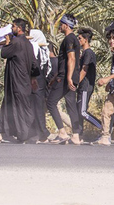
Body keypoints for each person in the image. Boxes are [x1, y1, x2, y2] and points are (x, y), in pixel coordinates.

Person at [0, 19, 38, 143]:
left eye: (13, 27)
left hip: (16, 80)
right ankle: (2, 132)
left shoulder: (16, 42)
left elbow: (4, 53)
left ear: (19, 28)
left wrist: (7, 42)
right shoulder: (28, 44)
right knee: (15, 106)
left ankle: (23, 134)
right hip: (24, 81)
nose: (12, 29)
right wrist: (33, 78)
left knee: (18, 107)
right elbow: (34, 63)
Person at [52, 14, 82, 145]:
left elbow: (71, 58)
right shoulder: (73, 39)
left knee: (50, 102)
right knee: (71, 105)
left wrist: (68, 77)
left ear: (66, 25)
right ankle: (76, 135)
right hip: (70, 76)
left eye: (61, 24)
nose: (60, 26)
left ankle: (62, 132)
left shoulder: (69, 39)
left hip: (66, 77)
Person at [77, 28, 103, 133]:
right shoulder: (84, 53)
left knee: (83, 112)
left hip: (86, 86)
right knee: (79, 110)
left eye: (80, 38)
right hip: (82, 86)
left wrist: (76, 82)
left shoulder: (88, 53)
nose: (78, 41)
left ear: (86, 40)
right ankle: (79, 134)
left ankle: (103, 128)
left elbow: (84, 70)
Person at [28, 28, 51, 143]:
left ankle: (42, 134)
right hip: (40, 83)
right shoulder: (43, 51)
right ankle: (35, 133)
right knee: (35, 108)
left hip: (37, 83)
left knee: (37, 108)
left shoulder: (37, 51)